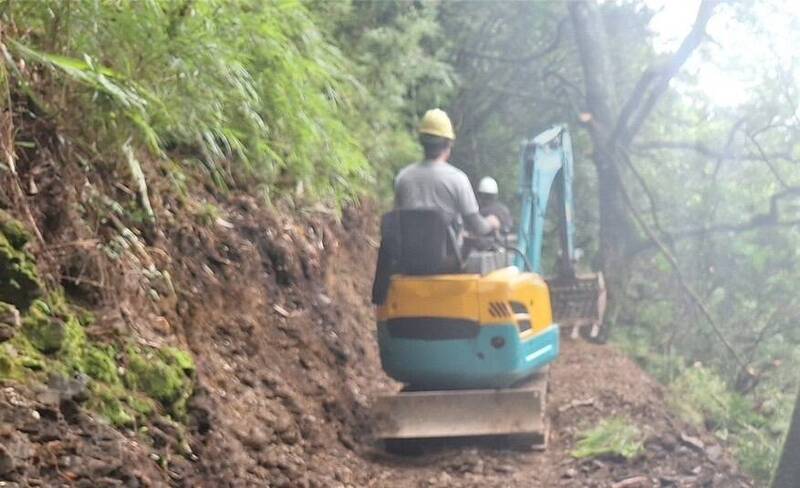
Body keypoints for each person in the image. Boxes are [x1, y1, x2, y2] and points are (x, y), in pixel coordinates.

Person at [394, 109, 500, 236]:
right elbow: (478, 227)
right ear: (448, 143)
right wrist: (491, 222)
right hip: (444, 256)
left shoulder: (403, 177)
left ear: (422, 141)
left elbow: (397, 219)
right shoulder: (458, 179)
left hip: (407, 253)